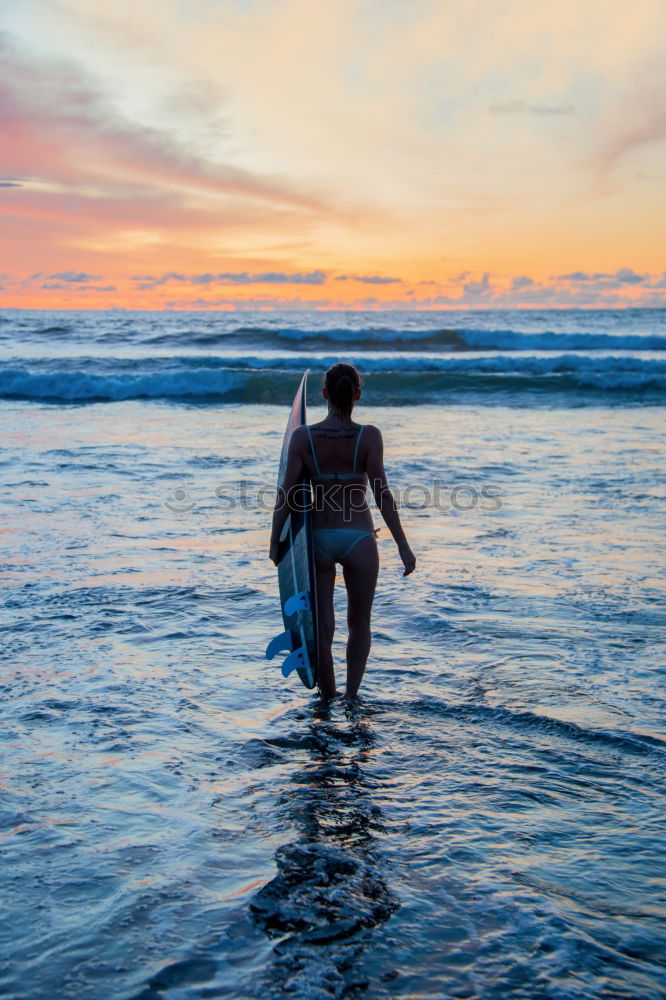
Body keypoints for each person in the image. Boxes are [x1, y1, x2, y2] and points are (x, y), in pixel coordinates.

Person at [269, 363, 416, 700]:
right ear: (357, 395)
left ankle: (327, 698)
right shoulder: (369, 436)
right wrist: (403, 547)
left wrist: (276, 543)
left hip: (318, 540)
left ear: (324, 395)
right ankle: (351, 698)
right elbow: (383, 495)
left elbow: (286, 495)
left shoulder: (303, 437)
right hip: (360, 539)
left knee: (322, 625)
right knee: (359, 624)